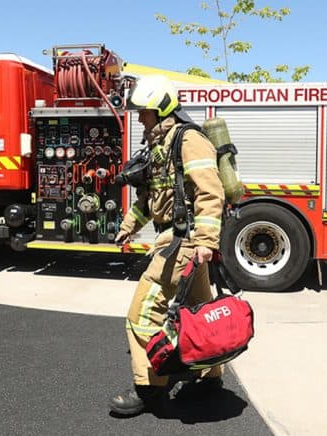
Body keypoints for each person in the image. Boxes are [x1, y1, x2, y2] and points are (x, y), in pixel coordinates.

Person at [108, 74, 226, 415]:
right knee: (200, 313)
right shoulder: (161, 144)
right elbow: (153, 197)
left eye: (144, 112)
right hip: (179, 239)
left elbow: (210, 191)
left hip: (182, 243)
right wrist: (129, 225)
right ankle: (208, 379)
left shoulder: (188, 141)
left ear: (161, 110)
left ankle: (150, 388)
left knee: (142, 314)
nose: (140, 118)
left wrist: (205, 240)